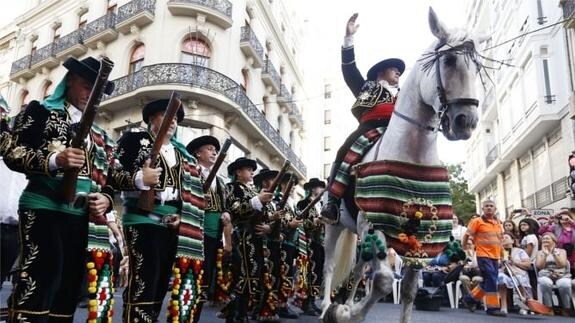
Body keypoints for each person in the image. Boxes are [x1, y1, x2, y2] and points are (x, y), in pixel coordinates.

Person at [3, 56, 118, 322]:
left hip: (83, 219)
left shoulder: (102, 136)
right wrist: (57, 160)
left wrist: (106, 200)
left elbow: (111, 179)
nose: (91, 94)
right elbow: (13, 153)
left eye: (97, 90)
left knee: (68, 288)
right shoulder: (40, 111)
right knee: (40, 279)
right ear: (70, 82)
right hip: (44, 206)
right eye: (86, 85)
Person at [114, 99, 206, 323]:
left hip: (173, 225)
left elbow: (193, 197)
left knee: (161, 281)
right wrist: (138, 179)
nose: (172, 120)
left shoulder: (184, 155)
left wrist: (182, 218)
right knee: (144, 279)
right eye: (165, 115)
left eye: (175, 118)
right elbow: (113, 174)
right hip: (141, 219)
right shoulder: (134, 140)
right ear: (150, 119)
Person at [321, 13, 405, 224]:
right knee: (344, 150)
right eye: (394, 69)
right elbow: (349, 70)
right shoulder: (367, 88)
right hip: (370, 128)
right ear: (380, 73)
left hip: (399, 132)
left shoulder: (405, 93)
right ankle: (332, 200)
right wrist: (348, 39)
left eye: (398, 70)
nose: (398, 72)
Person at [186, 135, 233, 311]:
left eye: (215, 150)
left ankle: (205, 296)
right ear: (198, 153)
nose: (214, 152)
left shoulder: (220, 181)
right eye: (209, 149)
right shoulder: (191, 171)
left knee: (212, 267)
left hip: (216, 232)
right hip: (196, 230)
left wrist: (227, 213)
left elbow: (226, 205)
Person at [224, 157, 273, 323]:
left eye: (253, 169)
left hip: (256, 238)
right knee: (245, 274)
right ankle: (238, 313)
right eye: (248, 169)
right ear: (238, 172)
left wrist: (268, 227)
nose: (252, 172)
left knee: (255, 274)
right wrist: (258, 200)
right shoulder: (231, 187)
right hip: (242, 237)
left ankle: (238, 311)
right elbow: (235, 209)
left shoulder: (254, 192)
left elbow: (264, 217)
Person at [461, 200, 506, 316]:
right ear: (482, 209)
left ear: (495, 209)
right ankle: (492, 308)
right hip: (483, 255)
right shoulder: (477, 221)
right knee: (491, 279)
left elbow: (500, 242)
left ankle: (469, 299)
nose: (489, 208)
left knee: (488, 281)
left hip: (495, 257)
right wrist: (464, 248)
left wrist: (503, 256)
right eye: (486, 206)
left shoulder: (498, 223)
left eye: (491, 206)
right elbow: (466, 236)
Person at [296, 178, 325, 316]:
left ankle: (312, 301)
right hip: (308, 242)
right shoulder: (303, 203)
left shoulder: (323, 205)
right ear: (313, 189)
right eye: (319, 187)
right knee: (309, 272)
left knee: (318, 272)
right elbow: (300, 221)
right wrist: (315, 221)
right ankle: (306, 303)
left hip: (320, 242)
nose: (321, 190)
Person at [535, 232, 572, 317]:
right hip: (546, 274)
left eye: (547, 238)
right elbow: (539, 266)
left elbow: (562, 264)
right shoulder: (540, 252)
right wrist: (544, 254)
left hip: (561, 274)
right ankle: (549, 307)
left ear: (554, 241)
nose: (545, 240)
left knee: (565, 284)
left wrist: (554, 253)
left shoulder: (562, 251)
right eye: (543, 239)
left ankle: (566, 308)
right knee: (544, 282)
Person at [497, 232, 532, 315]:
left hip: (517, 272)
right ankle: (504, 306)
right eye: (502, 238)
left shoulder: (520, 251)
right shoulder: (498, 251)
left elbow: (528, 265)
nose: (504, 239)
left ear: (512, 241)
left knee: (521, 278)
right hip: (504, 272)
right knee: (501, 277)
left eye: (506, 237)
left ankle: (523, 306)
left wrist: (515, 262)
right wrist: (500, 262)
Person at [538, 209, 575, 275]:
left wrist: (571, 221)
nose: (564, 220)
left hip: (573, 254)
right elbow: (541, 232)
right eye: (561, 218)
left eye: (566, 218)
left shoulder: (573, 226)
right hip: (560, 253)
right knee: (564, 271)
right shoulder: (555, 227)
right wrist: (549, 222)